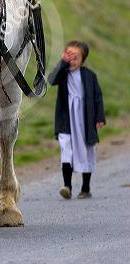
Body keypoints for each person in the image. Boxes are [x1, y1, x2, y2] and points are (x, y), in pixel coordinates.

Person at [48, 41, 106, 199]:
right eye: (68, 56)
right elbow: (51, 80)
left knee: (87, 151)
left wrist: (100, 117)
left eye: (75, 57)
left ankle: (85, 188)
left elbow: (97, 98)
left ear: (83, 59)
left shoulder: (89, 76)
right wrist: (62, 63)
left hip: (85, 120)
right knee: (66, 149)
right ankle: (67, 186)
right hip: (66, 119)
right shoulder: (63, 73)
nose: (71, 60)